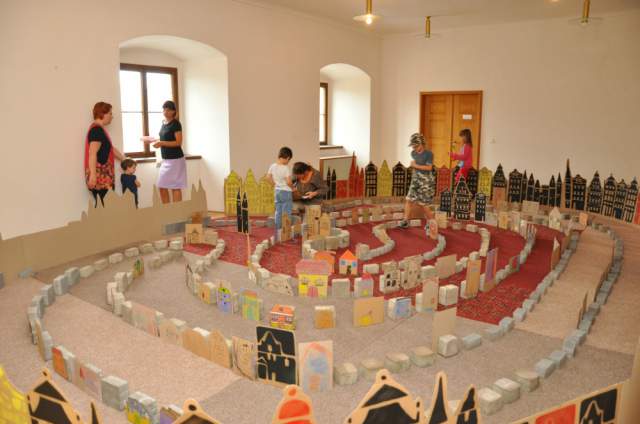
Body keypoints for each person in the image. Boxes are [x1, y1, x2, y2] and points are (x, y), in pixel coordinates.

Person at [142, 100, 186, 203]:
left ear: (173, 111)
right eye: (164, 109)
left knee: (175, 187)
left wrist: (161, 143)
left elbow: (178, 142)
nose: (165, 112)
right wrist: (153, 140)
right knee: (162, 186)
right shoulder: (164, 123)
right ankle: (167, 210)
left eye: (168, 110)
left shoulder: (176, 124)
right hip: (166, 160)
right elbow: (165, 139)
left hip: (176, 160)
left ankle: (177, 211)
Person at [85, 102, 125, 207]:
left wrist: (123, 159)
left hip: (104, 176)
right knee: (103, 207)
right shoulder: (96, 130)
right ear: (103, 114)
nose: (112, 116)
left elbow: (110, 149)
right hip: (100, 177)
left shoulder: (100, 130)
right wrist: (93, 175)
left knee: (104, 206)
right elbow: (92, 153)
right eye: (110, 113)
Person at [398, 133, 435, 228]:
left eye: (415, 146)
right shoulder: (413, 153)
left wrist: (415, 165)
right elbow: (415, 163)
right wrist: (414, 165)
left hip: (426, 181)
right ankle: (405, 221)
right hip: (415, 180)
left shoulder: (429, 154)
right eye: (413, 146)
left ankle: (432, 223)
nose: (414, 148)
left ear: (421, 144)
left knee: (424, 204)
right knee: (409, 199)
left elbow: (429, 168)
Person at [267, 147, 294, 239]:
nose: (288, 162)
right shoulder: (285, 168)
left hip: (277, 191)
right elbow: (288, 182)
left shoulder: (272, 166)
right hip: (286, 192)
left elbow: (268, 177)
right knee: (286, 213)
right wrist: (293, 188)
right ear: (287, 158)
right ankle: (286, 233)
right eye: (289, 160)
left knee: (278, 212)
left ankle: (278, 232)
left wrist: (274, 185)